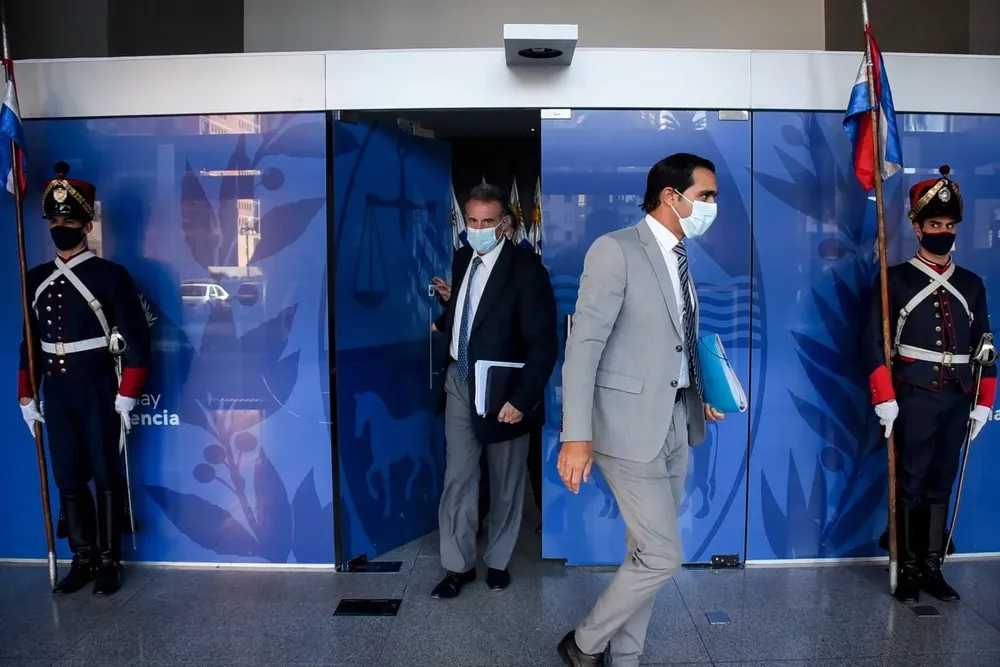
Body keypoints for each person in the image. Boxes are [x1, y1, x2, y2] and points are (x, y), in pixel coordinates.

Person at [555, 154, 725, 666]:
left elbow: (676, 341)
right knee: (663, 555)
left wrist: (702, 389)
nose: (713, 208)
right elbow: (583, 346)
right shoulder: (616, 250)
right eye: (706, 197)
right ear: (671, 197)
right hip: (625, 427)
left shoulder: (680, 256)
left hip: (676, 418)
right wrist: (575, 435)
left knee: (644, 551)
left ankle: (625, 657)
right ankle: (584, 643)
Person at [864, 165, 995, 605]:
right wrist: (885, 397)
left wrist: (984, 402)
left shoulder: (972, 284)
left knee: (943, 480)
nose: (943, 232)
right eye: (934, 224)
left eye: (949, 225)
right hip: (913, 395)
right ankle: (906, 567)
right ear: (917, 226)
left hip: (958, 395)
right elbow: (871, 343)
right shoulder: (893, 280)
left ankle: (933, 566)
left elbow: (986, 347)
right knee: (912, 480)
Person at [18, 162, 151, 596]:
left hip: (97, 388)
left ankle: (110, 562)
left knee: (105, 473)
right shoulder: (35, 278)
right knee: (68, 477)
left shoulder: (111, 276)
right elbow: (29, 343)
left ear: (87, 224)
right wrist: (26, 396)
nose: (61, 227)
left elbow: (136, 339)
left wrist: (128, 393)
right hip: (56, 392)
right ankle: (83, 557)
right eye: (55, 221)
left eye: (69, 220)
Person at [429, 183, 557, 598]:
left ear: (504, 223)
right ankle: (458, 565)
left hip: (504, 391)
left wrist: (522, 400)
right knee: (458, 479)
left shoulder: (527, 268)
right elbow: (472, 317)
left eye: (487, 222)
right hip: (459, 382)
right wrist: (449, 311)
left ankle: (498, 561)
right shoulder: (463, 257)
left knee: (505, 481)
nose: (478, 228)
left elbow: (543, 343)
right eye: (471, 221)